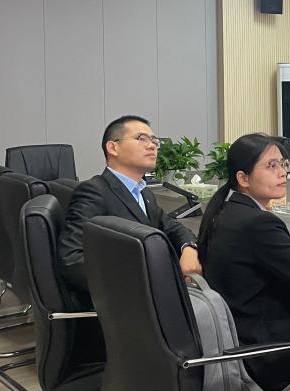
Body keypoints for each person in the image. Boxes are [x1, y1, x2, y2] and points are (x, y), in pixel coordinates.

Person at [197, 133, 290, 391]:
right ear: (243, 178)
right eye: (271, 166)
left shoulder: (224, 212)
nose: (282, 172)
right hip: (265, 350)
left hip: (239, 336)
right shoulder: (258, 224)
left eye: (283, 164)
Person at [58, 115, 201, 306]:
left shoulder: (144, 193)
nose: (152, 146)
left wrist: (189, 248)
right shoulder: (94, 192)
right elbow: (71, 259)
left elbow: (172, 227)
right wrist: (138, 284)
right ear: (113, 147)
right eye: (142, 138)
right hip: (124, 304)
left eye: (154, 140)